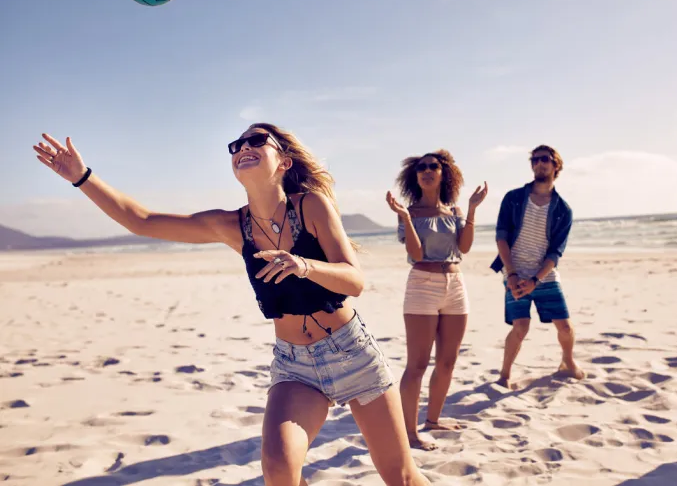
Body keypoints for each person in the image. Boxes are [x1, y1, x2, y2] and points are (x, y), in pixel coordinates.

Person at [32, 125, 431, 486]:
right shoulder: (230, 225)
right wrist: (82, 178)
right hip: (295, 366)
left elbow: (354, 280)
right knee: (278, 469)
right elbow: (142, 221)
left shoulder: (310, 206)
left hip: (351, 352)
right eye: (236, 145)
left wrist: (304, 265)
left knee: (401, 476)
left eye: (257, 141)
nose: (243, 147)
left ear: (283, 161)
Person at [385, 150, 488, 450]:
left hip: (455, 285)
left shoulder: (455, 211)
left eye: (433, 166)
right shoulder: (409, 213)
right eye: (421, 168)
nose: (427, 171)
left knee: (447, 361)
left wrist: (471, 208)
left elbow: (465, 248)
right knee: (417, 364)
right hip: (422, 285)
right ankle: (410, 432)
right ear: (414, 177)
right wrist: (404, 216)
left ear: (444, 173)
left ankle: (432, 420)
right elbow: (416, 254)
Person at [490, 145, 584, 389]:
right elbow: (501, 237)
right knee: (521, 326)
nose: (539, 164)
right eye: (535, 160)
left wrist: (536, 280)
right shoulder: (513, 199)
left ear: (556, 165)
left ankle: (567, 361)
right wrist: (511, 273)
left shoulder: (563, 210)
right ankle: (504, 374)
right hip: (514, 272)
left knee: (564, 325)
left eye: (545, 159)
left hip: (545, 275)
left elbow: (556, 252)